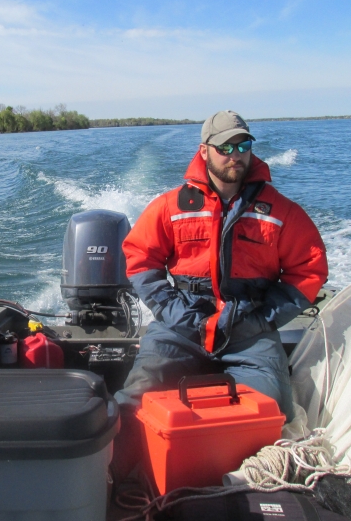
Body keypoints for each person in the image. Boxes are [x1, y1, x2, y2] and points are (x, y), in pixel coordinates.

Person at [111, 110, 328, 478]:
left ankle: (244, 487)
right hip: (182, 324)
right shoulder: (170, 206)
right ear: (205, 150)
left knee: (272, 408)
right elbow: (140, 258)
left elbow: (309, 269)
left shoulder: (281, 212)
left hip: (250, 328)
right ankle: (113, 478)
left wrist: (262, 319)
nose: (235, 154)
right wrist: (172, 311)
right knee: (136, 398)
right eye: (225, 146)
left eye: (243, 145)